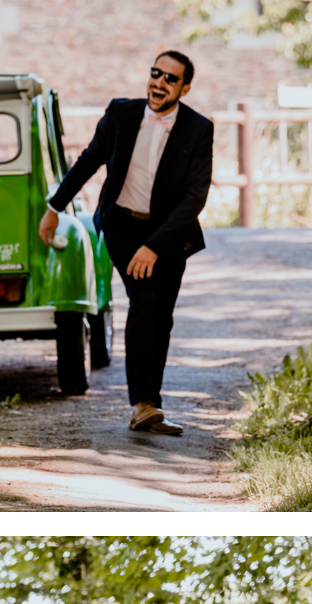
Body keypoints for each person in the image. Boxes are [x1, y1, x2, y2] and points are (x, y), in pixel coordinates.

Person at [41, 50, 214, 437]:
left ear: (184, 88)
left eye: (171, 79)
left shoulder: (199, 129)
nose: (159, 83)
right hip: (121, 225)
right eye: (156, 74)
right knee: (144, 300)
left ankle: (149, 404)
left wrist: (154, 246)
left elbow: (194, 198)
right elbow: (89, 161)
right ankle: (143, 404)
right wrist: (55, 206)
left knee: (162, 316)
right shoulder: (120, 114)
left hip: (170, 233)